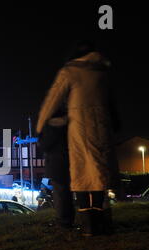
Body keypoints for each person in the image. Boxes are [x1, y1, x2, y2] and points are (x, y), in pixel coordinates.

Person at [36, 41, 119, 236]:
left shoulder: (70, 71)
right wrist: (114, 123)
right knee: (98, 175)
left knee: (81, 175)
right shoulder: (102, 72)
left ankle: (88, 227)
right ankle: (100, 224)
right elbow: (112, 102)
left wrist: (41, 126)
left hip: (79, 127)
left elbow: (52, 99)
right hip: (102, 127)